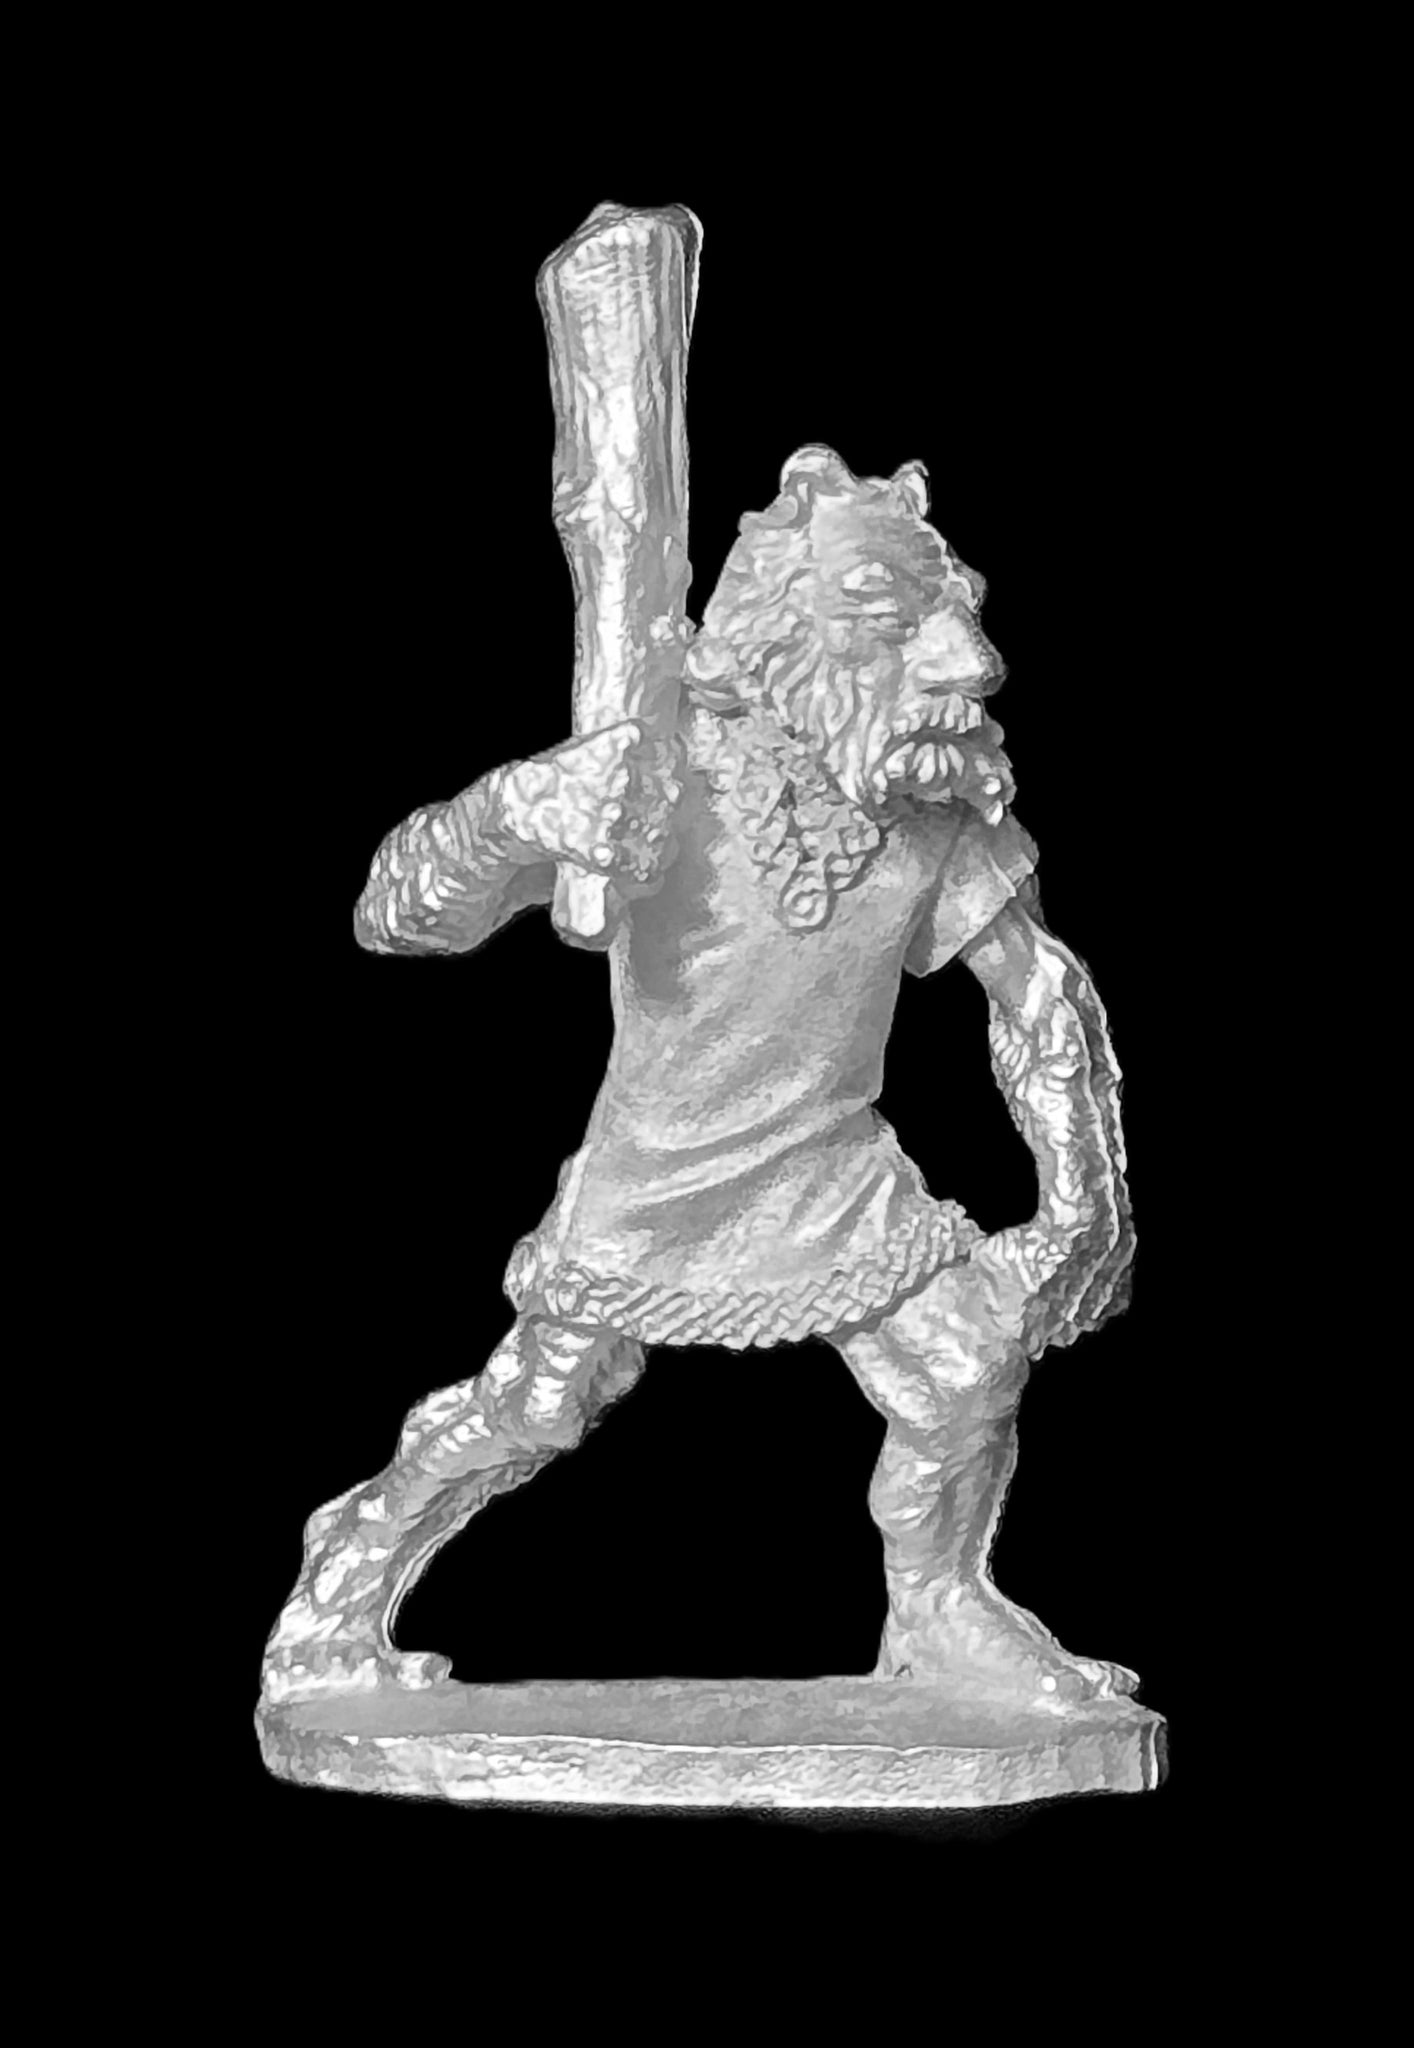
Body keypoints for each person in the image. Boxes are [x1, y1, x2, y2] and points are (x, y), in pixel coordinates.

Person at [262, 447, 1135, 1717]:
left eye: (951, 619)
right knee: (537, 1403)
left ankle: (943, 1608)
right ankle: (343, 1578)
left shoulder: (929, 801)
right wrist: (511, 812)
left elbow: (1039, 992)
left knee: (962, 1371)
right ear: (795, 628)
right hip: (653, 1177)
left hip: (833, 1168)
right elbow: (398, 914)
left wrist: (1085, 1192)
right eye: (890, 622)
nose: (967, 662)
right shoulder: (661, 761)